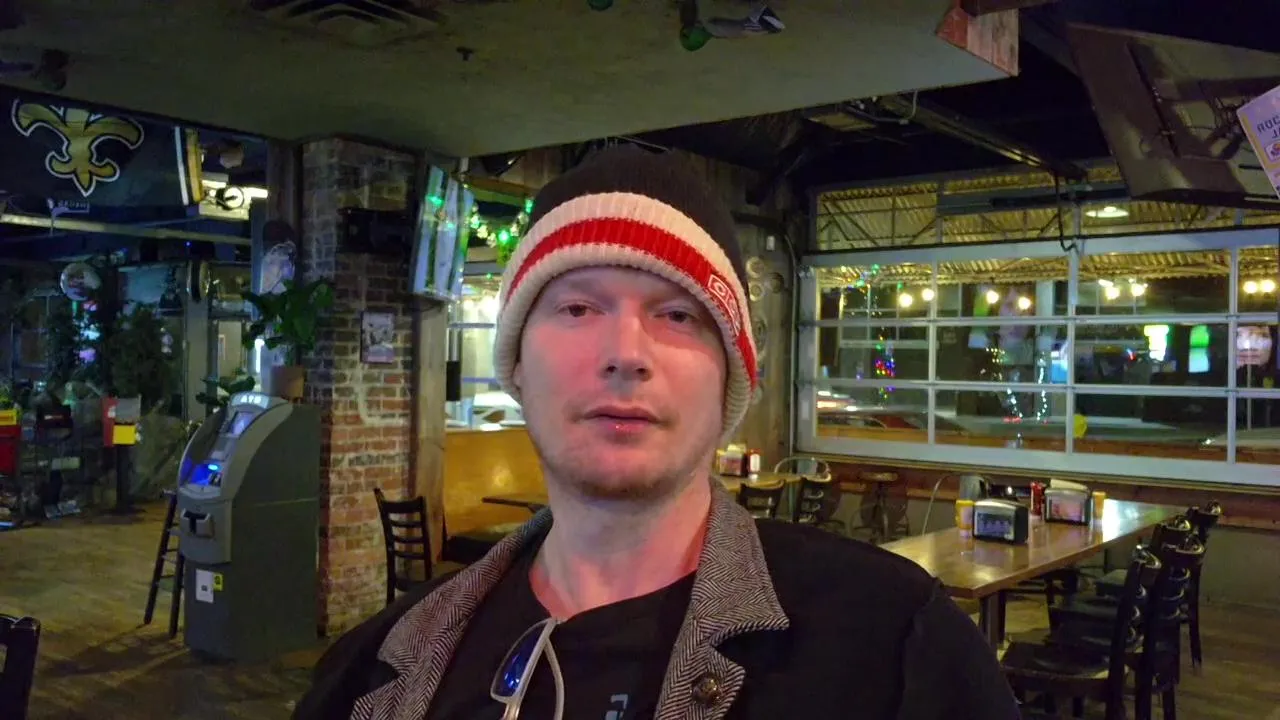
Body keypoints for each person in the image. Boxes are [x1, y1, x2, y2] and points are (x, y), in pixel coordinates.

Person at [294, 146, 1020, 720]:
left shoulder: (895, 647)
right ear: (515, 363)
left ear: (733, 377)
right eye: (578, 308)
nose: (626, 353)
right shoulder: (371, 673)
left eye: (678, 315)